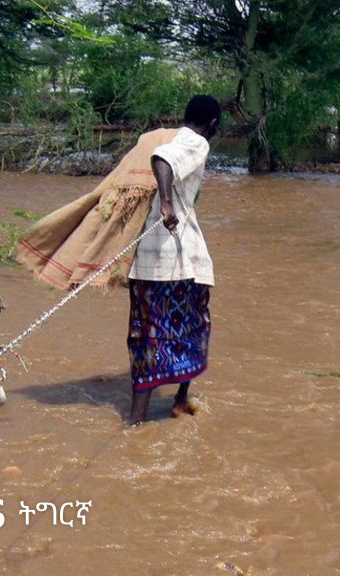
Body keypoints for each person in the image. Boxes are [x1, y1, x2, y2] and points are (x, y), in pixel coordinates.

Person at [125, 95, 221, 425]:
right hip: (177, 264)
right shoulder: (195, 141)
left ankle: (137, 420)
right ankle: (179, 401)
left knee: (145, 337)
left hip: (145, 265)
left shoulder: (170, 136)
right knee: (194, 327)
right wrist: (167, 203)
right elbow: (163, 160)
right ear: (213, 124)